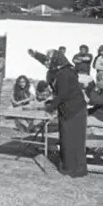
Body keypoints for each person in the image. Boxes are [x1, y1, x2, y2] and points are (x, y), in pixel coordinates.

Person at [41, 50, 88, 178]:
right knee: (66, 139)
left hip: (74, 110)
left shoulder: (64, 73)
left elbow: (62, 94)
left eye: (49, 60)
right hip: (68, 109)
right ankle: (67, 164)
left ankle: (74, 168)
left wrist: (50, 108)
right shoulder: (60, 72)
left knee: (73, 140)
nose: (48, 62)